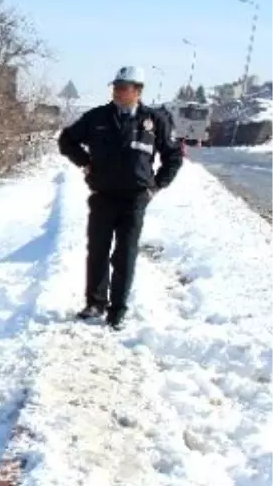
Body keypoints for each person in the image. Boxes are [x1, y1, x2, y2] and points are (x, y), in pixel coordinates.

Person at [57, 65, 184, 329]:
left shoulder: (154, 120)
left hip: (135, 198)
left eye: (123, 87)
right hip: (103, 195)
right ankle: (95, 303)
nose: (116, 91)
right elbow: (66, 140)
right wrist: (84, 161)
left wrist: (157, 186)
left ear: (137, 91)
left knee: (125, 254)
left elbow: (173, 156)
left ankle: (118, 309)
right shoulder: (97, 117)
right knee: (98, 252)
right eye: (115, 86)